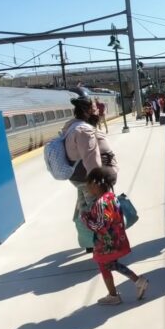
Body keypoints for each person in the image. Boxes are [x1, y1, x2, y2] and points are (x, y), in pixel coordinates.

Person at [81, 166, 149, 305]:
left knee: (103, 264)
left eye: (89, 185)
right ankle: (138, 281)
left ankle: (113, 296)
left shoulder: (100, 203)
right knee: (112, 265)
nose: (88, 189)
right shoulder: (111, 197)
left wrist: (86, 219)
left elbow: (100, 226)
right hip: (117, 239)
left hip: (106, 244)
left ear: (96, 184)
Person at [63, 97, 119, 253]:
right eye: (95, 108)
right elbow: (91, 160)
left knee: (84, 211)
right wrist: (99, 183)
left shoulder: (74, 126)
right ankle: (105, 248)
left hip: (80, 179)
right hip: (90, 181)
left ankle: (89, 242)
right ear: (87, 111)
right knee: (99, 214)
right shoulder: (84, 131)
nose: (98, 111)